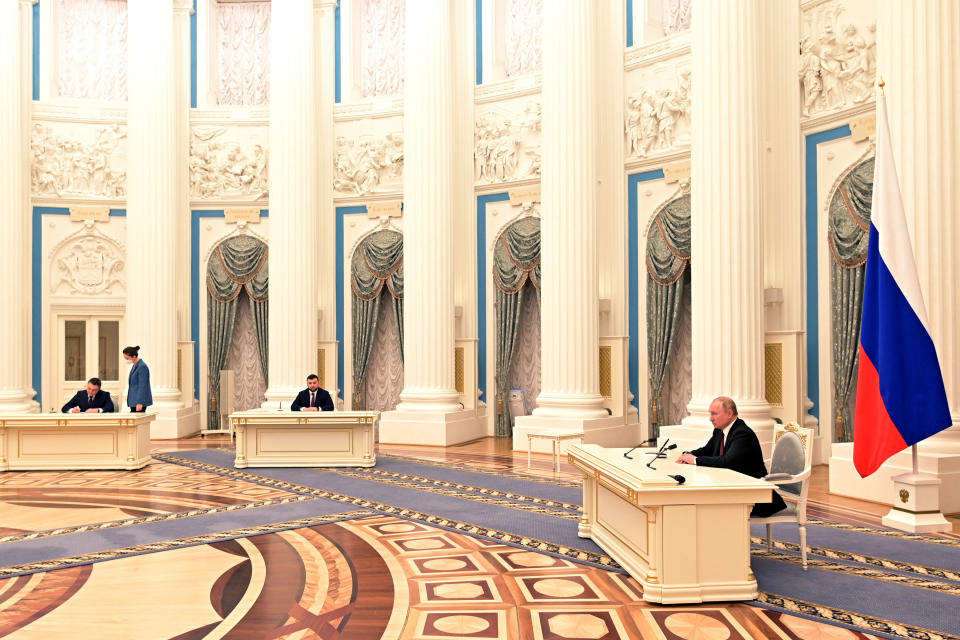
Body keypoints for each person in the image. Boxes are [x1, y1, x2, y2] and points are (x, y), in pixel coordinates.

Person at [677, 396, 787, 517]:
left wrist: (694, 460)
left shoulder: (742, 433)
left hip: (756, 495)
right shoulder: (719, 430)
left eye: (714, 414)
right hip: (734, 489)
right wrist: (687, 455)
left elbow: (728, 461)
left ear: (729, 413)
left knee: (709, 505)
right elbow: (706, 450)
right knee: (706, 501)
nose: (710, 418)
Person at [123, 345, 152, 413]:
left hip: (138, 402)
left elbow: (143, 386)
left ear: (134, 356)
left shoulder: (142, 366)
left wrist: (140, 402)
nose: (126, 361)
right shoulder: (135, 366)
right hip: (133, 401)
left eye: (127, 358)